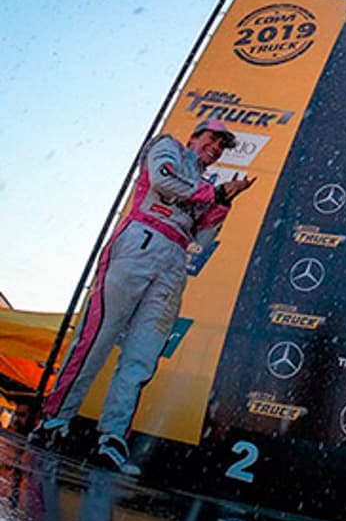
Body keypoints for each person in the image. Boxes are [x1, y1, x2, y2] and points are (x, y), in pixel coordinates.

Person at [29, 118, 255, 474]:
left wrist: (224, 203)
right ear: (195, 136)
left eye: (222, 145)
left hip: (175, 259)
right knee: (97, 338)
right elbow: (164, 179)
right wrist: (214, 194)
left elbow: (202, 238)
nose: (216, 147)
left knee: (142, 355)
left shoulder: (205, 183)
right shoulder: (167, 146)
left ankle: (113, 439)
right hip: (140, 240)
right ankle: (54, 423)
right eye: (212, 138)